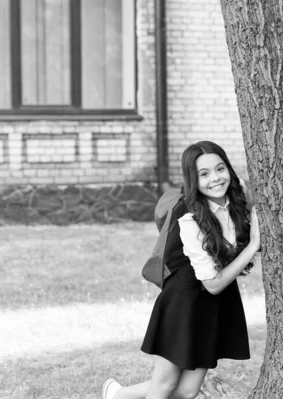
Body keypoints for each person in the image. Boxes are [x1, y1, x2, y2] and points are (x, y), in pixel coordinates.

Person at [102, 141, 260, 399]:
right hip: (185, 300)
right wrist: (253, 245)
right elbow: (213, 283)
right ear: (192, 180)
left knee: (187, 391)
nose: (216, 178)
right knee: (163, 386)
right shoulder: (190, 220)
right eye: (204, 174)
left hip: (215, 304)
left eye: (220, 169)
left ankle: (118, 395)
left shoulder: (239, 193)